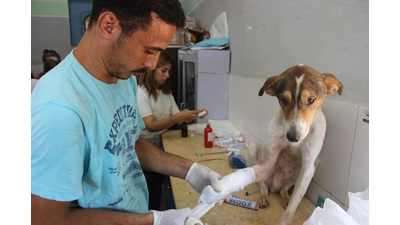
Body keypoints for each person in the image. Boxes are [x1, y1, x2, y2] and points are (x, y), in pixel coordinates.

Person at [31, 1, 222, 225]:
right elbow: (45, 219)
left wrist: (189, 170)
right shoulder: (59, 110)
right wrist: (152, 220)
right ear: (108, 26)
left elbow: (127, 142)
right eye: (149, 50)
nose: (151, 64)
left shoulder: (123, 78)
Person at [136, 51, 208, 210]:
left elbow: (177, 116)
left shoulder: (165, 93)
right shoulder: (141, 93)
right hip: (143, 150)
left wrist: (193, 115)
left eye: (168, 71)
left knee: (156, 186)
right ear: (151, 69)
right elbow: (151, 125)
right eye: (163, 70)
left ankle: (155, 212)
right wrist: (176, 118)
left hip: (160, 146)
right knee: (145, 190)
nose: (167, 75)